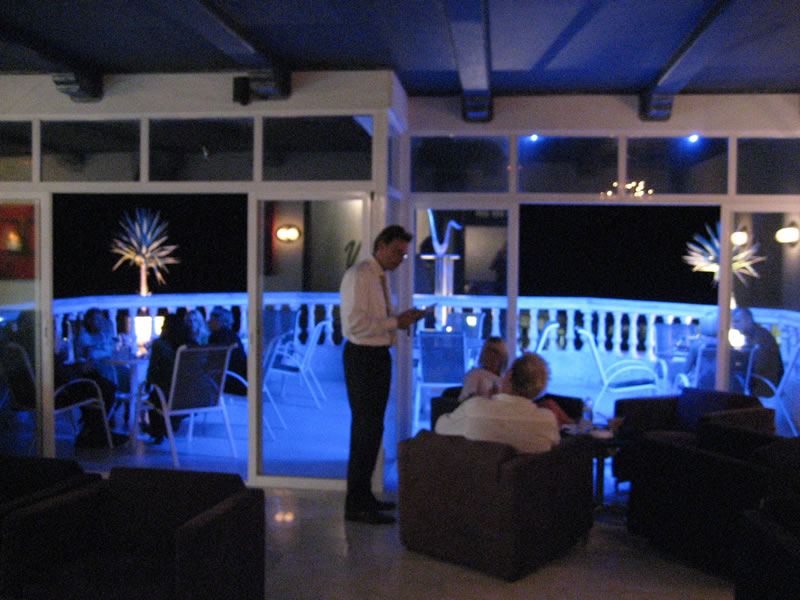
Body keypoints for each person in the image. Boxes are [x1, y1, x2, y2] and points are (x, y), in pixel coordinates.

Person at [339, 224, 426, 524]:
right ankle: (356, 504)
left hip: (376, 356)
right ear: (381, 246)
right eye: (397, 252)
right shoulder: (360, 276)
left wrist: (398, 320)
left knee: (372, 429)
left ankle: (364, 497)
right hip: (363, 356)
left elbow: (374, 320)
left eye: (404, 254)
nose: (401, 259)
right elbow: (354, 325)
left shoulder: (378, 277)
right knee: (365, 430)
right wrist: (394, 323)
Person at [435, 352, 560, 454]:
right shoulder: (547, 421)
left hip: (477, 476)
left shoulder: (474, 409)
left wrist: (482, 402)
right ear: (539, 390)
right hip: (525, 478)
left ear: (509, 376)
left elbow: (440, 428)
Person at [142, 313, 192, 444]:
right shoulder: (191, 344)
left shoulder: (160, 345)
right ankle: (169, 424)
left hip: (170, 396)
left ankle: (158, 430)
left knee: (155, 393)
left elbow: (152, 373)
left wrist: (148, 384)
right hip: (193, 396)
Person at [733, 307, 784, 394]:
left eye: (737, 321)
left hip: (764, 386)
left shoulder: (761, 337)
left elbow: (758, 367)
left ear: (748, 320)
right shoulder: (753, 335)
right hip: (757, 382)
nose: (734, 326)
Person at [208, 305, 248, 395]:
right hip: (241, 380)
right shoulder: (233, 336)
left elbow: (212, 362)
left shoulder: (216, 336)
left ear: (218, 322)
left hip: (229, 382)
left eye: (211, 319)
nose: (208, 322)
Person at [458, 336, 509, 401]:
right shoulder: (475, 374)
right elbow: (466, 399)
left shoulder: (505, 379)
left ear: (502, 357)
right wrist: (488, 397)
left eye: (495, 352)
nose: (490, 355)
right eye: (488, 351)